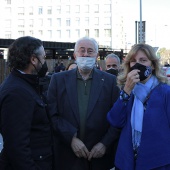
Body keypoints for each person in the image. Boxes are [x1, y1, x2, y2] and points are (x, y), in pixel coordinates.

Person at [47, 37, 120, 170]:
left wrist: (104, 143)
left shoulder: (111, 81)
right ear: (75, 55)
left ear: (97, 56)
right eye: (82, 51)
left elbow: (118, 116)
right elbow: (52, 114)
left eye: (90, 51)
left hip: (100, 157)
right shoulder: (57, 80)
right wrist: (71, 138)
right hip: (67, 156)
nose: (86, 54)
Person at [107, 43, 170, 170]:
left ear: (152, 65)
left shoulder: (165, 92)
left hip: (157, 161)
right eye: (133, 61)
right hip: (128, 160)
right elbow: (115, 120)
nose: (137, 64)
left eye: (143, 60)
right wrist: (126, 91)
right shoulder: (128, 90)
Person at [0, 36, 54, 170]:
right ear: (34, 60)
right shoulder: (16, 92)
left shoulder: (27, 84)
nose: (44, 61)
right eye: (43, 57)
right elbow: (17, 146)